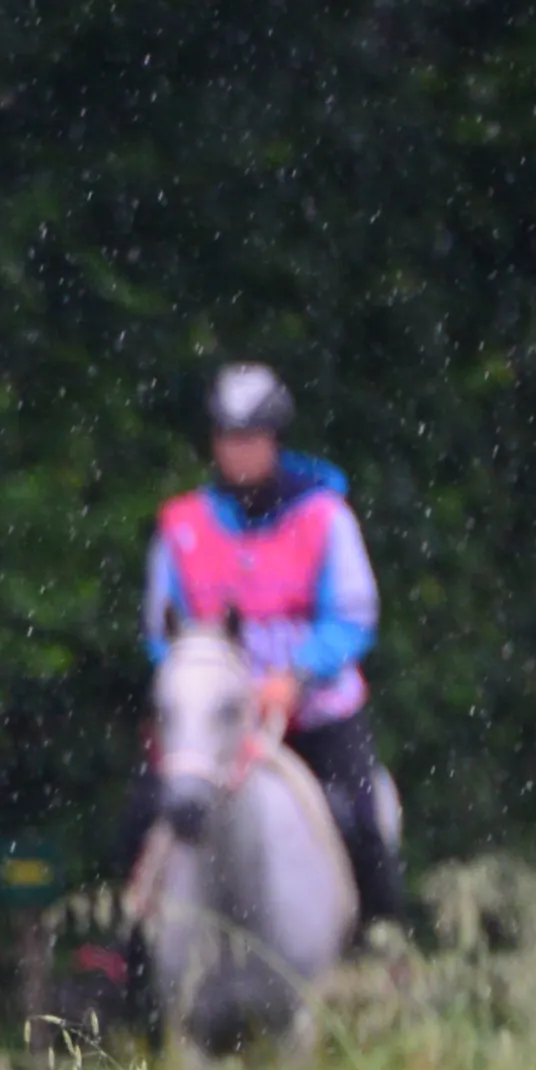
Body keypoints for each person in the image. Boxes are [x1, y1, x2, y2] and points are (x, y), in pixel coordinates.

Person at [133, 361, 406, 930]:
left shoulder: (324, 518)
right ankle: (135, 967)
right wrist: (208, 686)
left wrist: (295, 677)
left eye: (251, 438)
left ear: (274, 441)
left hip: (311, 713)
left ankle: (380, 951)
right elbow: (163, 635)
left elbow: (353, 615)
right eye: (229, 438)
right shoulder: (182, 526)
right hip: (210, 724)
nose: (239, 452)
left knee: (361, 821)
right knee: (139, 823)